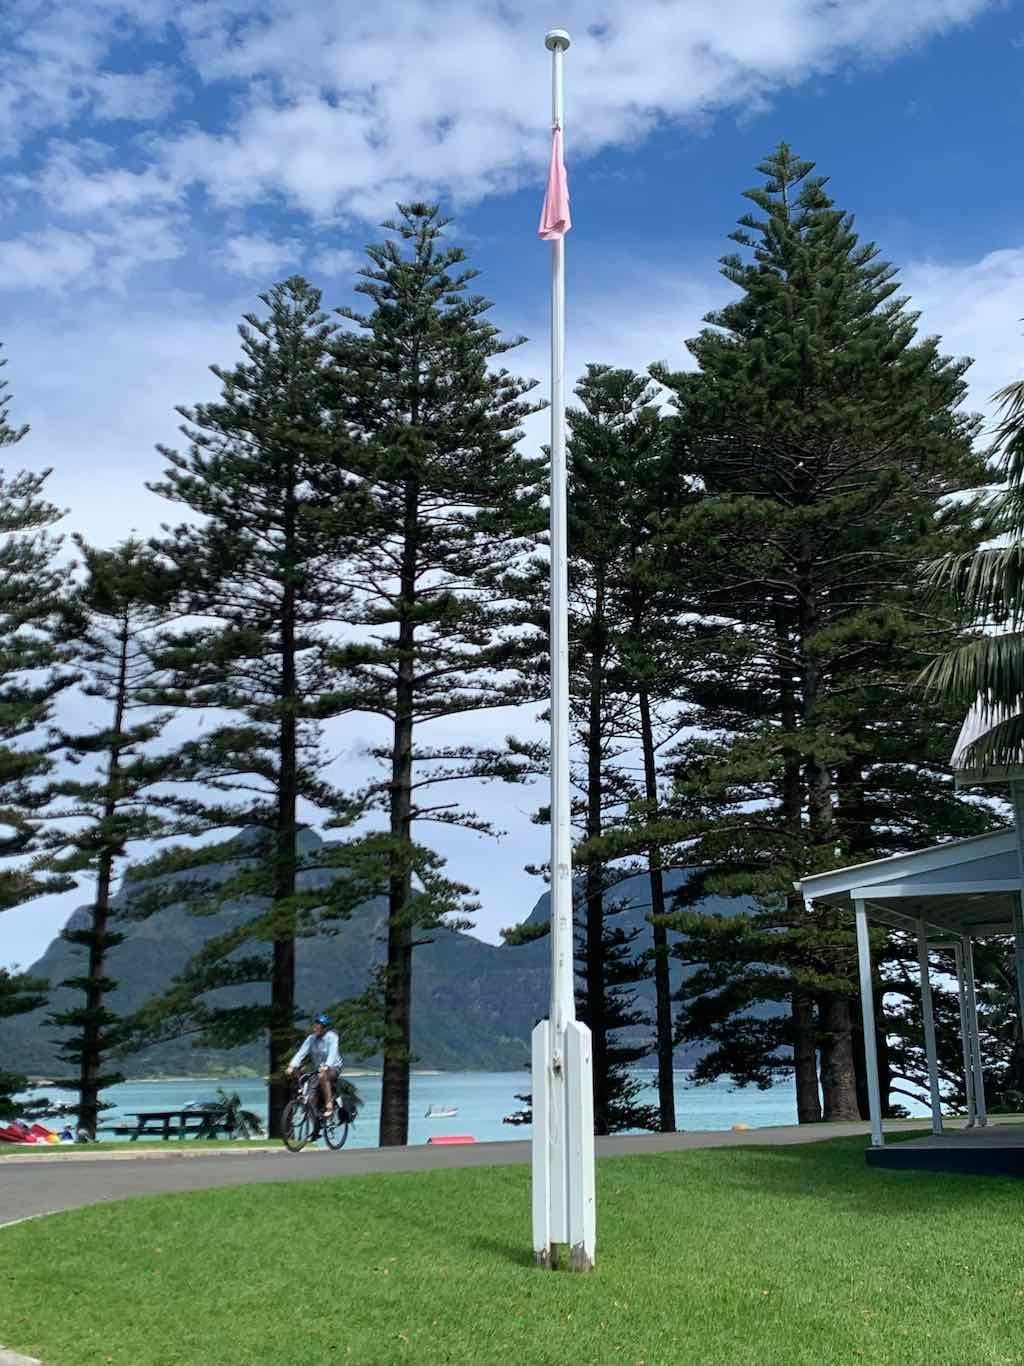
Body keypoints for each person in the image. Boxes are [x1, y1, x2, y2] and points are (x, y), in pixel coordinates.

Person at [287, 1013, 343, 1117]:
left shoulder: (332, 1037)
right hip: (319, 1069)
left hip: (333, 1067)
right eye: (315, 1025)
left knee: (323, 1076)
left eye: (319, 1026)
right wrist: (292, 1065)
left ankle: (329, 1104)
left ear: (325, 1028)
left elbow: (333, 1052)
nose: (316, 1027)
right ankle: (315, 1123)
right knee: (309, 1092)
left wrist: (327, 1065)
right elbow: (301, 1053)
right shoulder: (311, 1038)